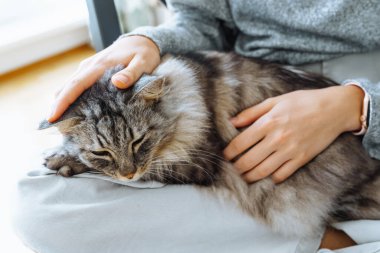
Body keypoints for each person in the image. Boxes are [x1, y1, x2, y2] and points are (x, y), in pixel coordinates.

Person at [13, 1, 380, 253]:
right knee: (37, 202)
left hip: (365, 100)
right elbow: (198, 23)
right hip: (256, 77)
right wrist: (149, 42)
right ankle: (327, 236)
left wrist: (360, 106)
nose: (127, 172)